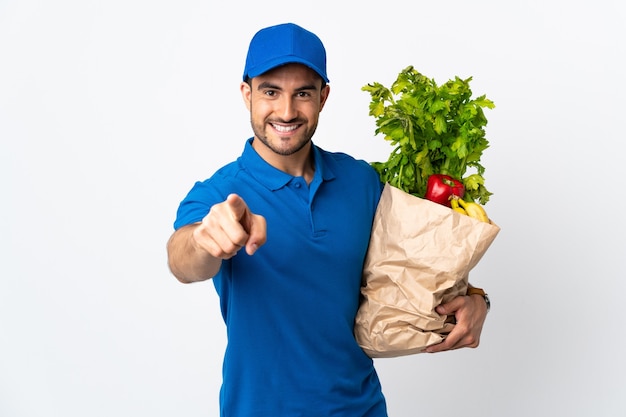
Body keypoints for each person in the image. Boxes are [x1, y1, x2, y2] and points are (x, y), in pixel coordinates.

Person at [166, 22, 489, 417]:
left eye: (302, 93)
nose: (286, 111)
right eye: (270, 92)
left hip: (362, 408)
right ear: (246, 94)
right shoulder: (219, 194)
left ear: (323, 97)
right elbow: (182, 260)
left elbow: (413, 268)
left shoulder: (361, 181)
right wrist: (204, 238)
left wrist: (477, 299)